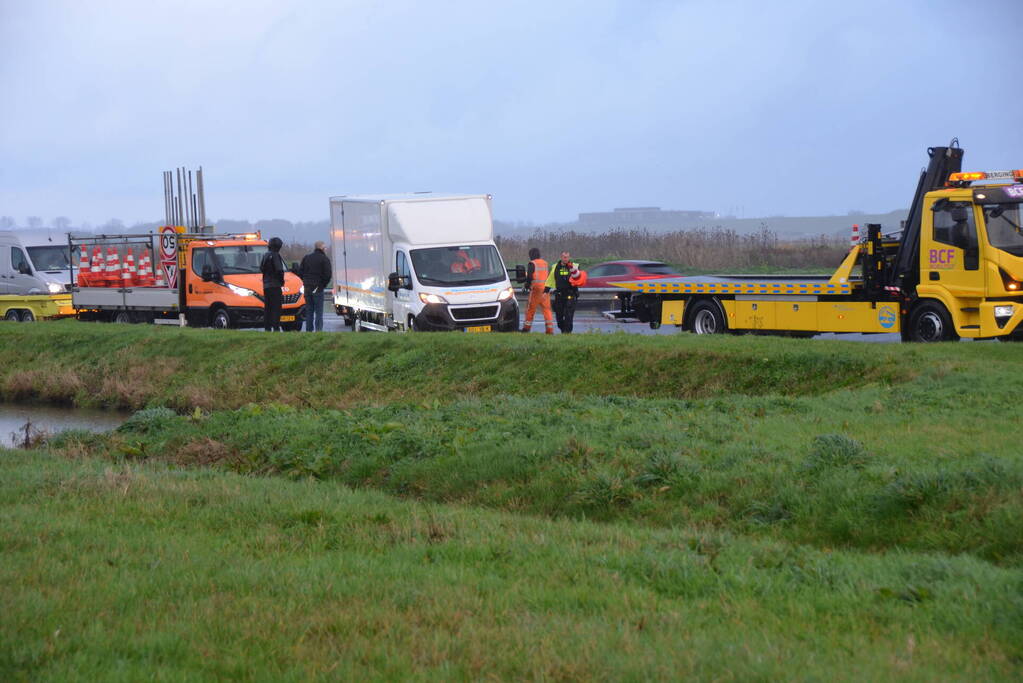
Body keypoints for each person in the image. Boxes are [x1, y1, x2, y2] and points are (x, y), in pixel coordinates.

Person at [544, 251, 584, 334]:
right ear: (561, 257)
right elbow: (550, 279)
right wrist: (546, 291)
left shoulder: (574, 266)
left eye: (567, 257)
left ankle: (567, 333)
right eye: (564, 257)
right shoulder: (555, 267)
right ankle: (563, 330)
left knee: (568, 316)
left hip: (571, 294)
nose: (566, 259)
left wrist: (576, 274)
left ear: (569, 257)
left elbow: (580, 279)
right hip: (559, 295)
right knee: (559, 317)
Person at [299, 241, 332, 332]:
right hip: (318, 288)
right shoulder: (324, 259)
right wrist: (323, 285)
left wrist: (305, 281)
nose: (325, 249)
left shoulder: (306, 258)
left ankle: (309, 331)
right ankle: (318, 331)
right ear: (321, 248)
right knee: (319, 312)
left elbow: (300, 272)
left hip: (307, 288)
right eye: (325, 248)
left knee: (309, 312)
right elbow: (328, 274)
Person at [520, 247, 553, 334]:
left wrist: (526, 286)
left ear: (531, 255)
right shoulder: (545, 263)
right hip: (545, 290)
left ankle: (526, 328)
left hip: (536, 290)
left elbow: (529, 277)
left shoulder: (532, 263)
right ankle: (549, 330)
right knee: (547, 310)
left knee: (530, 309)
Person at [259, 236, 286, 331]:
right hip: (275, 285)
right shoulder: (275, 255)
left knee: (268, 307)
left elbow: (261, 268)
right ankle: (276, 327)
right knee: (276, 308)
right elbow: (279, 270)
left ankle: (267, 327)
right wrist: (282, 281)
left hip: (266, 285)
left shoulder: (265, 255)